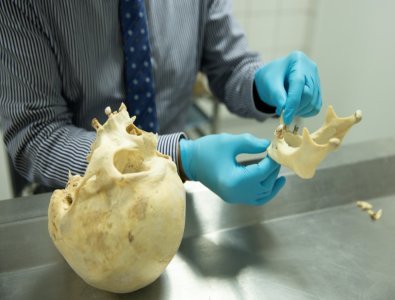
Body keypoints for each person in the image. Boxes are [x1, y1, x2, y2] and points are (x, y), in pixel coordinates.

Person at [0, 0, 321, 205]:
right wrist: (181, 157)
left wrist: (261, 83)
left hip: (173, 198)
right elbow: (36, 135)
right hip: (83, 203)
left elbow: (230, 66)